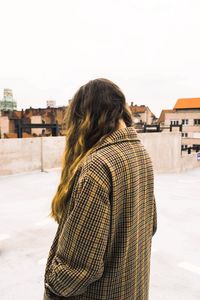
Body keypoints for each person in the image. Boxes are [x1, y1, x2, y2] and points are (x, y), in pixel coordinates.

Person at [43, 78, 157, 300]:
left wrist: (52, 284)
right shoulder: (140, 154)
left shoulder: (99, 166)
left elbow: (78, 269)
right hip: (133, 290)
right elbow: (150, 226)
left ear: (86, 118)